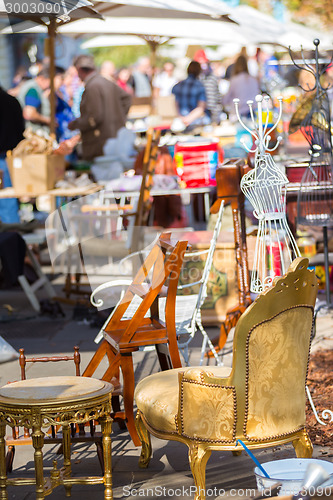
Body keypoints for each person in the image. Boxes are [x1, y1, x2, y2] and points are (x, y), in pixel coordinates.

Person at [57, 55, 132, 162]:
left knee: (104, 174)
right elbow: (126, 98)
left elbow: (94, 117)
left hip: (100, 142)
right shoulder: (104, 81)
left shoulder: (93, 85)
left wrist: (76, 124)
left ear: (79, 69)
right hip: (110, 138)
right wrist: (117, 120)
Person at [0, 87, 25, 222]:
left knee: (6, 198)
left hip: (6, 156)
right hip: (12, 156)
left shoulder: (9, 101)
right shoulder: (12, 101)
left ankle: (11, 232)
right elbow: (21, 130)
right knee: (8, 197)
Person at [171, 60, 208, 129]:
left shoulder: (178, 85)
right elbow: (201, 108)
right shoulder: (199, 86)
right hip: (194, 121)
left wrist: (181, 118)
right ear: (199, 71)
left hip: (180, 121)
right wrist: (188, 119)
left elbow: (174, 104)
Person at [17, 67, 51, 133]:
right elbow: (29, 114)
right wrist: (48, 120)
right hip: (32, 133)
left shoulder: (32, 86)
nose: (49, 86)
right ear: (42, 79)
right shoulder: (33, 89)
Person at [194, 49, 222, 124]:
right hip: (200, 114)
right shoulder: (197, 78)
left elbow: (216, 97)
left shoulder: (212, 77)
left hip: (211, 113)